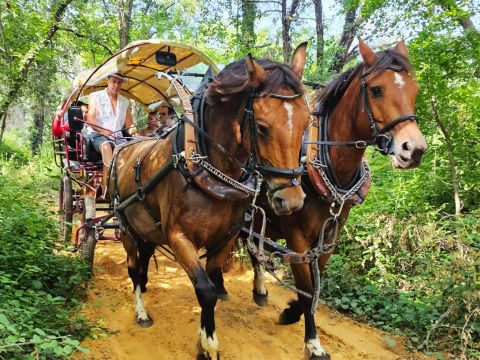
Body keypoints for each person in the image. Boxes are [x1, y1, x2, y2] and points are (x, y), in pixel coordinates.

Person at [87, 72, 137, 197]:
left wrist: (134, 132)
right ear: (107, 80)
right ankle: (108, 186)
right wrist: (103, 131)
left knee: (129, 148)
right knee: (106, 146)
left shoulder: (125, 101)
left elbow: (129, 124)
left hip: (117, 137)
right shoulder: (95, 96)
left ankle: (128, 184)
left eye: (119, 82)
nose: (116, 85)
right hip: (98, 134)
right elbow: (90, 119)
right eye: (114, 81)